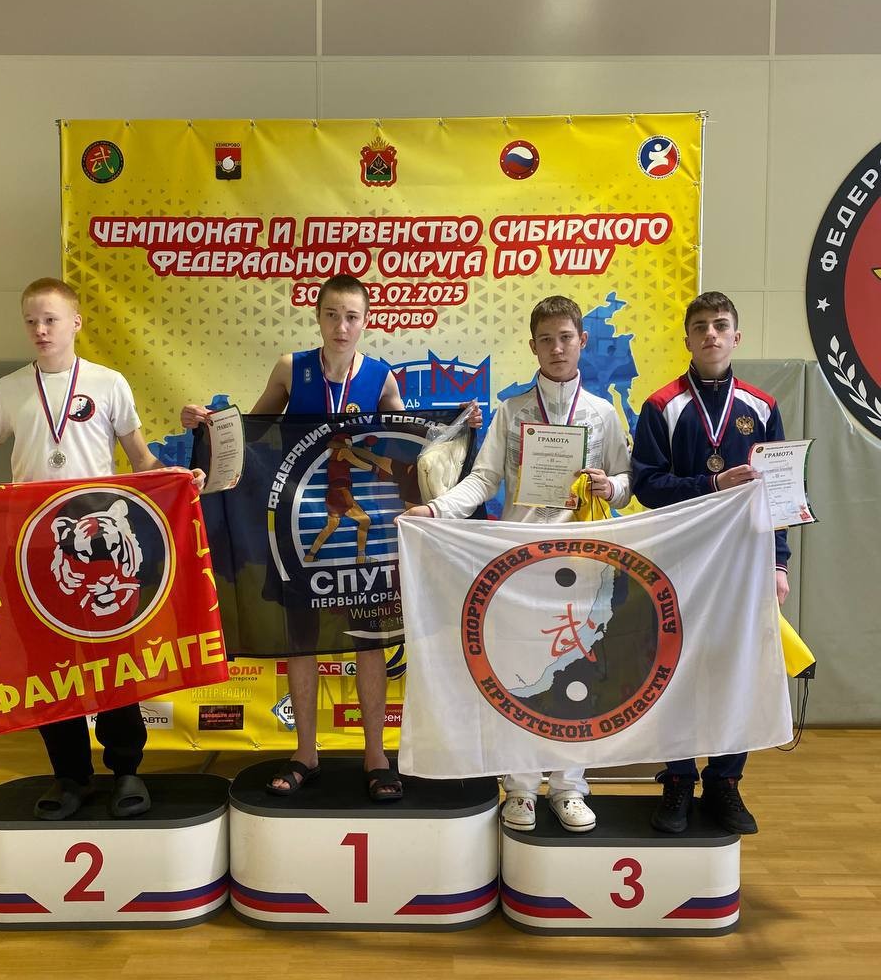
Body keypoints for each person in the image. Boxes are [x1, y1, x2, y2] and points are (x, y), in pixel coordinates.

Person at [0, 277, 204, 821]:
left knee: (115, 661)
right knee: (46, 668)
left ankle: (126, 770)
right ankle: (70, 775)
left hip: (102, 554)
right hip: (34, 551)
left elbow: (140, 459)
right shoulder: (9, 389)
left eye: (50, 319)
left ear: (75, 322)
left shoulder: (108, 383)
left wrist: (175, 476)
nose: (40, 330)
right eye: (31, 321)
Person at [403, 295, 631, 833]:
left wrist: (612, 486)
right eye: (546, 339)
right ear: (532, 346)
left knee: (580, 671)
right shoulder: (512, 411)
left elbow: (627, 480)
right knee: (521, 677)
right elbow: (484, 480)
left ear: (582, 342)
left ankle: (570, 785)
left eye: (566, 338)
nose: (557, 348)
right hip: (519, 566)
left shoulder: (602, 413)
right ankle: (521, 787)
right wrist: (436, 509)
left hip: (584, 564)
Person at [181, 274, 408, 803]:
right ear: (318, 316)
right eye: (332, 314)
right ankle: (306, 752)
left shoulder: (381, 377)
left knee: (368, 640)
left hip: (359, 530)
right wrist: (205, 424)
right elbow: (251, 431)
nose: (341, 326)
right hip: (296, 523)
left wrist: (457, 423)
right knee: (299, 640)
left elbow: (407, 441)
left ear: (366, 321)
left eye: (352, 316)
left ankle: (376, 755)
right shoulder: (291, 368)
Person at [631, 290, 790, 836]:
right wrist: (714, 483)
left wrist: (779, 562)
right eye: (700, 326)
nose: (711, 334)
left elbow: (780, 492)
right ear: (687, 339)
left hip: (743, 562)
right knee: (675, 669)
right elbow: (648, 487)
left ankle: (725, 781)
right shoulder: (661, 406)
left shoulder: (762, 406)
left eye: (721, 325)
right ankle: (678, 779)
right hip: (677, 559)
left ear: (736, 336)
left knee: (734, 669)